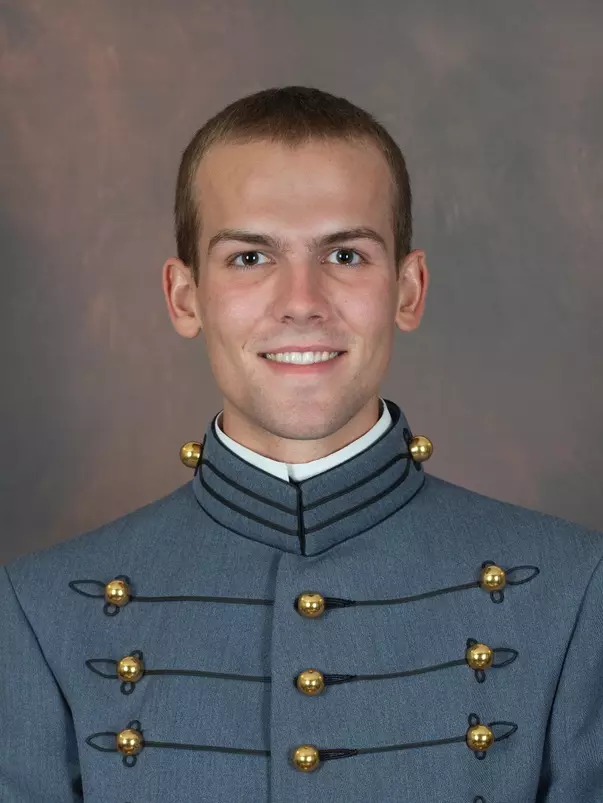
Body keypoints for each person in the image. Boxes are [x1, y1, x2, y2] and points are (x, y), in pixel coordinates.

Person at [1, 85, 601, 803]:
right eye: (249, 258)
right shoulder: (41, 611)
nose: (302, 302)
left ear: (408, 290)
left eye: (345, 254)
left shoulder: (575, 591)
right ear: (184, 297)